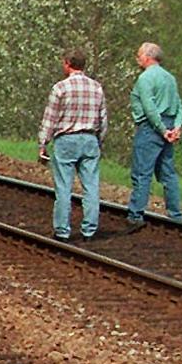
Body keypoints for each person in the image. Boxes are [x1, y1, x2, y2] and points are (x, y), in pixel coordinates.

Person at [36, 49, 107, 241]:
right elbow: (103, 120)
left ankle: (62, 231)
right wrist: (99, 142)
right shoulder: (96, 88)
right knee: (91, 187)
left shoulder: (60, 88)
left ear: (68, 64)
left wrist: (43, 143)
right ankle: (89, 230)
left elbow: (50, 119)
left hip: (66, 140)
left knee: (63, 188)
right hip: (90, 138)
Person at [128, 41, 182, 229]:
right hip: (168, 125)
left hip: (151, 128)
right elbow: (179, 107)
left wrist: (162, 129)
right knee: (168, 173)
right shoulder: (170, 78)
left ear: (147, 57)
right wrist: (176, 128)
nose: (137, 59)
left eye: (139, 55)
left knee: (142, 173)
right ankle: (176, 215)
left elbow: (149, 108)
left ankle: (135, 215)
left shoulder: (145, 78)